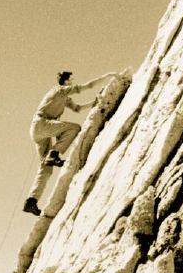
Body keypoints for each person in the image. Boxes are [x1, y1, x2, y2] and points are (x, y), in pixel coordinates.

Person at [23, 70, 115, 216]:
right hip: (42, 124)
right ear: (66, 81)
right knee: (74, 128)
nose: (72, 82)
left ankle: (32, 200)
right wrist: (106, 77)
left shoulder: (64, 98)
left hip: (38, 130)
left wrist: (95, 102)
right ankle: (54, 153)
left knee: (46, 168)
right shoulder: (60, 90)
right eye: (71, 80)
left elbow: (77, 108)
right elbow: (86, 86)